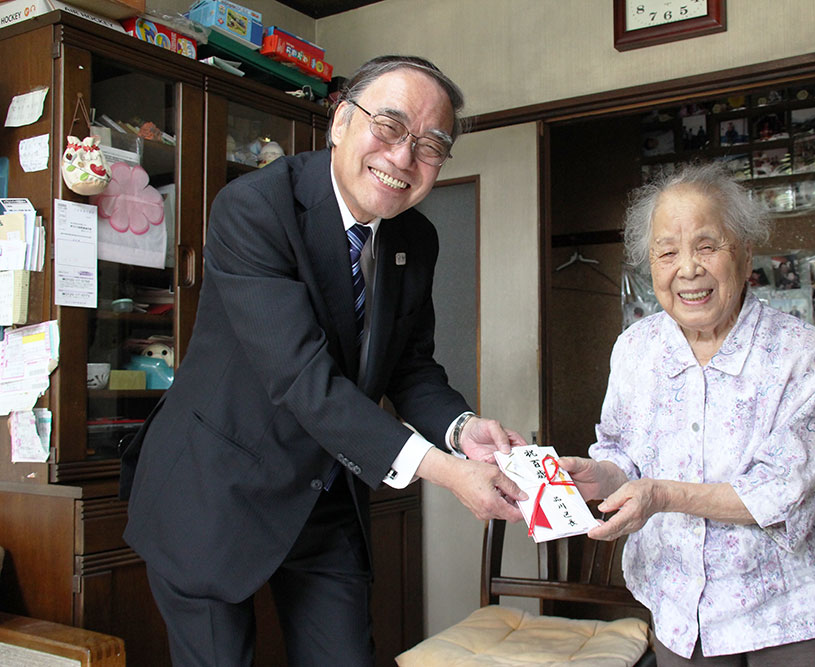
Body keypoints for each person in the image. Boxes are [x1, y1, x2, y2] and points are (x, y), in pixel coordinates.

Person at [119, 55, 528, 666]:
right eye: (388, 128)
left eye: (430, 146)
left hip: (322, 494)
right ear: (339, 122)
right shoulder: (255, 208)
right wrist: (444, 472)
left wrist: (462, 430)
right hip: (213, 490)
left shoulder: (416, 239)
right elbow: (303, 380)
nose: (401, 158)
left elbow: (410, 368)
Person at [559, 162, 815, 665]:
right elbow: (623, 457)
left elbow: (781, 492)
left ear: (746, 254)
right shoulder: (635, 350)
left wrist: (661, 494)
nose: (688, 269)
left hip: (798, 609)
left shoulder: (801, 353)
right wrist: (594, 475)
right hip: (683, 608)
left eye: (707, 246)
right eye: (666, 252)